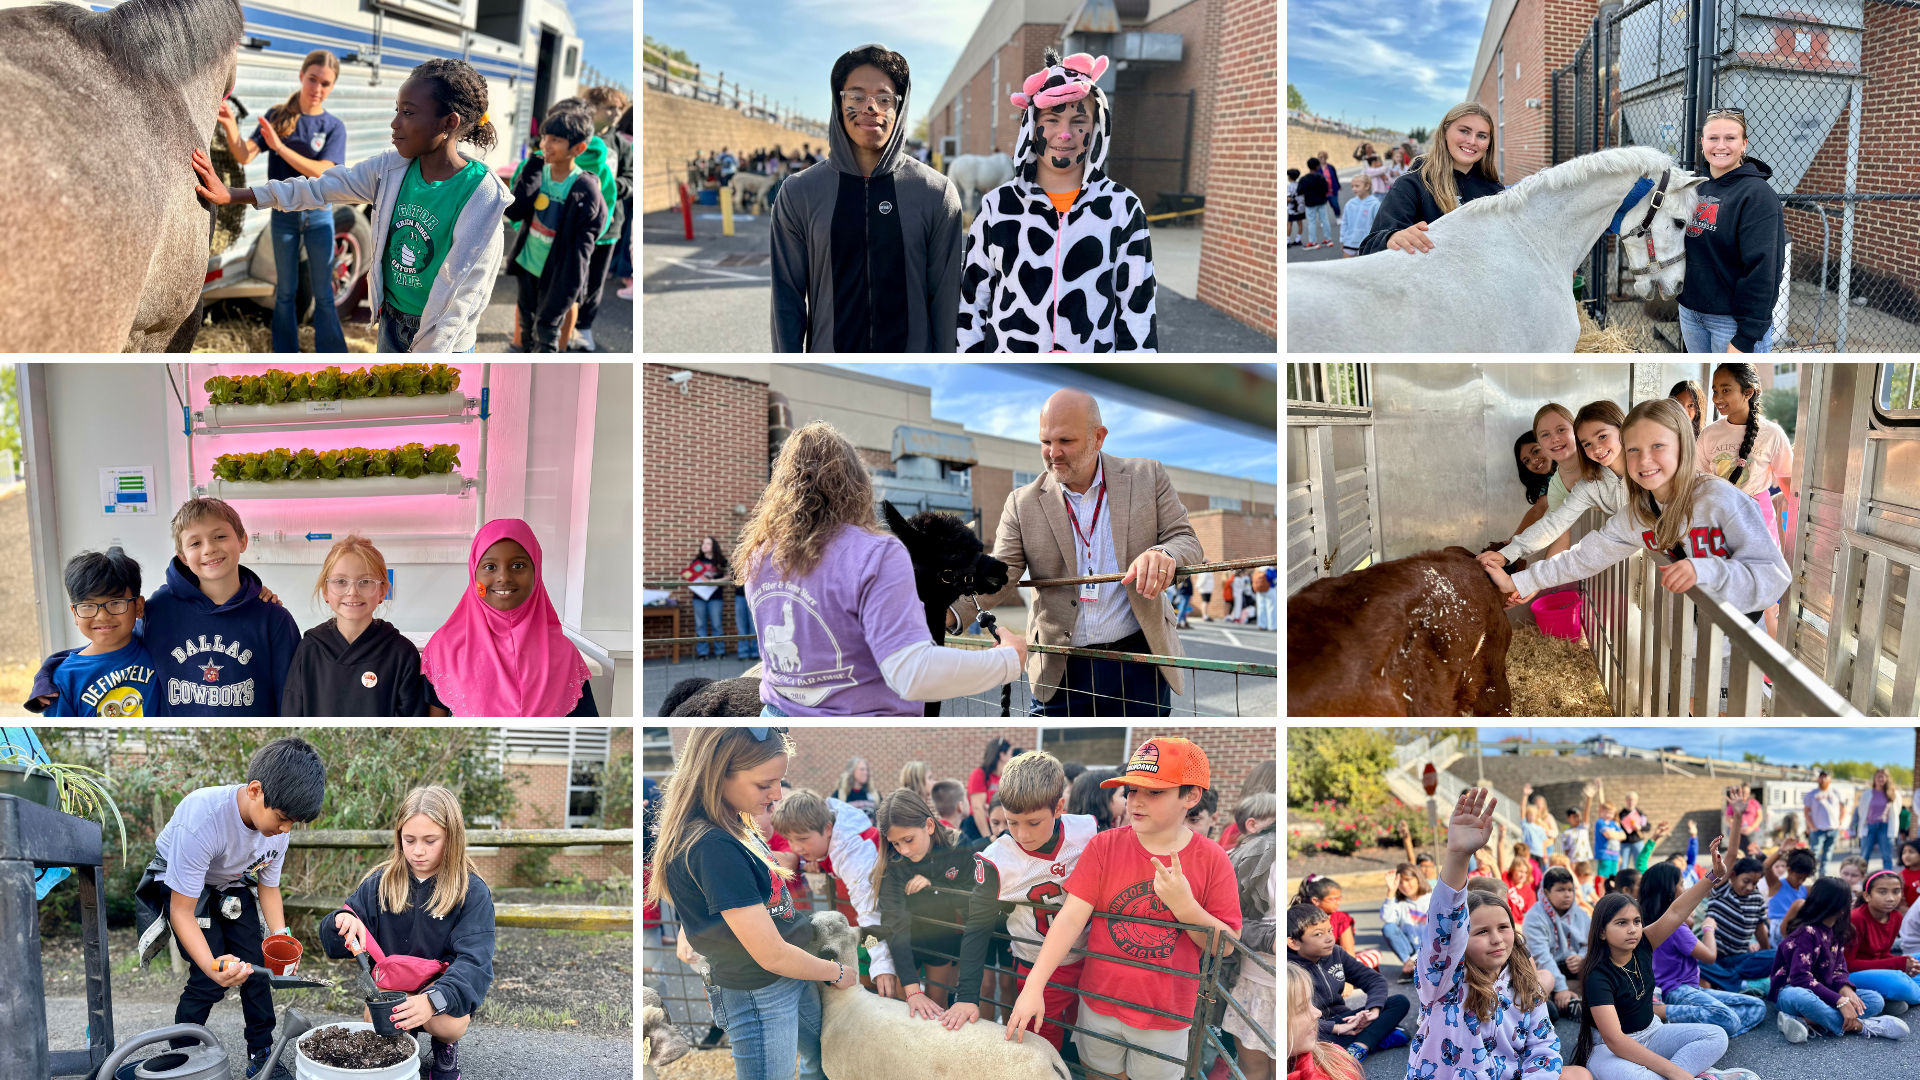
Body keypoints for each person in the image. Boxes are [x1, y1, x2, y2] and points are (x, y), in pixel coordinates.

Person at [192, 59, 508, 352]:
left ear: (449, 122)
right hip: (391, 324)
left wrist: (429, 356)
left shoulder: (482, 195)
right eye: (396, 110)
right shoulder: (389, 169)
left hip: (442, 341)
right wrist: (235, 194)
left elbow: (466, 296)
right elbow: (318, 187)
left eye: (408, 113)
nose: (394, 123)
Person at [734, 423, 1023, 715]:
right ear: (855, 483)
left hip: (778, 717)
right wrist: (1007, 660)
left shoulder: (758, 554)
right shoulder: (875, 552)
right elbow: (912, 672)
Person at [1005, 738, 1243, 1078]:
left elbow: (1226, 946)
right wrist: (1034, 986)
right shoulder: (1104, 846)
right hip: (1098, 1004)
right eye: (1131, 790)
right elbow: (1070, 918)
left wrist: (1185, 906)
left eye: (1154, 791)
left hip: (1166, 1016)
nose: (1136, 801)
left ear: (1190, 796)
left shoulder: (1213, 859)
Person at [961, 389, 1205, 715]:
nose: (1053, 453)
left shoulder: (1148, 476)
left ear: (1098, 437)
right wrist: (943, 613)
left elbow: (1185, 539)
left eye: (1065, 440)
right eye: (1045, 441)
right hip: (1059, 669)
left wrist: (1164, 554)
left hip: (1139, 662)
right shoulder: (1021, 503)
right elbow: (997, 573)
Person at [1485, 399, 1792, 657]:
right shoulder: (1637, 513)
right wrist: (1518, 581)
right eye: (1633, 450)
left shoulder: (1719, 499)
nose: (1644, 460)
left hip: (1734, 646)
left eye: (1657, 445)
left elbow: (1773, 576)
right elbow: (1583, 556)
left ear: (1683, 444)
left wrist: (1706, 571)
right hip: (1683, 642)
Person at [648, 730, 856, 1080]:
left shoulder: (732, 821)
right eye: (765, 784)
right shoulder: (713, 845)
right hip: (760, 990)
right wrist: (835, 971)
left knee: (823, 1057)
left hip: (793, 970)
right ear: (719, 774)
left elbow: (713, 897)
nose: (777, 794)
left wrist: (691, 925)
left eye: (778, 781)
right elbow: (770, 954)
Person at [133, 737, 326, 1080]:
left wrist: (281, 938)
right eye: (283, 818)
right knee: (209, 980)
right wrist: (211, 966)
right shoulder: (202, 818)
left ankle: (261, 1054)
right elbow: (182, 911)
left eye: (293, 823)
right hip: (184, 886)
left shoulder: (278, 828)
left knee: (257, 969)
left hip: (231, 881)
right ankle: (181, 1057)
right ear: (255, 791)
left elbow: (269, 886)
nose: (285, 830)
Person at [956, 50, 1157, 352]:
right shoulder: (997, 206)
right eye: (1052, 119)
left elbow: (1138, 309)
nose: (1064, 134)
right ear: (1031, 125)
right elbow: (971, 302)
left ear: (1096, 128)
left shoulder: (1123, 208)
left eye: (1079, 121)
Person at [771, 44, 963, 352]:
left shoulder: (936, 193)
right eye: (856, 96)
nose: (871, 108)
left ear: (899, 107)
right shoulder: (799, 192)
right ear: (839, 102)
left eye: (884, 99)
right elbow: (786, 300)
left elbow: (946, 303)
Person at [1404, 787, 1583, 1080]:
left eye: (1503, 927)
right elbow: (1444, 926)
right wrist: (1458, 855)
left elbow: (1542, 1048)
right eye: (1482, 931)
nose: (1497, 938)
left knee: (1580, 1075)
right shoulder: (1443, 981)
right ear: (1460, 940)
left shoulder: (1524, 982)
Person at [319, 786, 493, 1080]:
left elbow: (474, 964)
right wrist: (340, 921)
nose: (418, 850)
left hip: (440, 993)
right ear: (399, 836)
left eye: (430, 841)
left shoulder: (472, 891)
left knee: (449, 1025)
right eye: (409, 840)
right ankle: (400, 1044)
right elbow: (335, 945)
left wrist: (433, 1000)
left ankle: (444, 1046)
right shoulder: (379, 883)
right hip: (393, 988)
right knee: (375, 1017)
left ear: (452, 838)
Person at [941, 749, 1095, 1053]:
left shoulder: (1087, 831)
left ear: (1059, 807)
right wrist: (967, 996)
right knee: (1042, 1046)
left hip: (1091, 958)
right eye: (1012, 822)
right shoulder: (997, 860)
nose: (1022, 834)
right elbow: (978, 927)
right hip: (1035, 964)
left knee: (1089, 1042)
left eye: (1034, 822)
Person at [1567, 833, 1749, 1080]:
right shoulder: (1598, 975)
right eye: (1621, 923)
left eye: (1636, 921)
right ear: (1601, 931)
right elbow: (1616, 1040)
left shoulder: (1643, 943)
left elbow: (1675, 912)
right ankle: (1695, 1075)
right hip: (1608, 1050)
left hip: (1652, 1033)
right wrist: (1675, 1072)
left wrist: (1713, 875)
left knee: (1716, 1035)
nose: (1632, 929)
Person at [216, 50, 350, 353]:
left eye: (325, 84)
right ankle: (285, 355)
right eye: (313, 79)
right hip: (283, 217)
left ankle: (334, 358)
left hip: (319, 216)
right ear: (301, 76)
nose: (317, 88)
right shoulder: (278, 116)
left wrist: (280, 148)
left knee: (324, 295)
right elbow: (244, 154)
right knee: (285, 293)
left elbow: (323, 171)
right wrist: (230, 125)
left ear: (332, 86)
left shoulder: (333, 127)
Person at [420, 519, 596, 716]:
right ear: (473, 572)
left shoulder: (563, 653)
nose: (504, 577)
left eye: (518, 565)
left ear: (536, 572)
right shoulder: (445, 649)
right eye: (490, 567)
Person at [280, 535, 427, 716]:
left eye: (365, 582)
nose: (352, 592)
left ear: (382, 591)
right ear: (325, 591)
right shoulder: (308, 651)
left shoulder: (402, 654)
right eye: (340, 581)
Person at [1483, 401, 1629, 581]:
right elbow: (1555, 526)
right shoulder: (1580, 486)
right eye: (1545, 435)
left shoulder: (1619, 460)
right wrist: (1513, 556)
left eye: (1561, 430)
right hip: (1631, 541)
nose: (1554, 439)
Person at [1699, 362, 1795, 635]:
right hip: (1719, 519)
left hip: (1759, 519)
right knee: (1725, 589)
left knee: (1767, 600)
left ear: (1748, 392)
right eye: (1715, 390)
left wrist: (1800, 522)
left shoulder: (1772, 434)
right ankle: (1727, 651)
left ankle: (1770, 661)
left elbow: (1787, 482)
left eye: (1726, 390)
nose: (1717, 398)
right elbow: (1698, 482)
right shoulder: (1709, 434)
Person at [1678, 109, 1785, 353]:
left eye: (1730, 138)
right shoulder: (1693, 187)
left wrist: (1746, 336)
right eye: (1713, 138)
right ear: (1702, 143)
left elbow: (1764, 270)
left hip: (1731, 323)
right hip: (1690, 312)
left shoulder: (1757, 195)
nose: (1720, 146)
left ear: (1744, 144)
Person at [503, 106, 607, 352]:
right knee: (526, 324)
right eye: (545, 137)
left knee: (547, 328)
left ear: (578, 148)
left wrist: (573, 281)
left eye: (556, 140)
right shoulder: (538, 171)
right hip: (528, 264)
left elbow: (587, 240)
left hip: (559, 273)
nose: (546, 145)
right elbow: (514, 210)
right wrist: (532, 168)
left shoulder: (585, 187)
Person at [871, 788, 982, 1014]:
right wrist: (912, 990)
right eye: (895, 843)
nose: (904, 850)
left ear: (929, 826)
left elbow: (973, 894)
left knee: (937, 999)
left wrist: (936, 888)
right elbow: (894, 921)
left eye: (908, 840)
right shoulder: (893, 862)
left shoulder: (959, 845)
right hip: (904, 940)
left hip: (941, 934)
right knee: (906, 1002)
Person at [772, 789, 895, 991]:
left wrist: (882, 964)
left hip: (889, 924)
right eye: (790, 840)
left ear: (828, 828)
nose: (796, 848)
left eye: (802, 839)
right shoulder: (831, 829)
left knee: (892, 988)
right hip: (871, 925)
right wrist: (820, 862)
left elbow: (868, 909)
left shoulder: (853, 855)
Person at [1770, 877, 1909, 1042]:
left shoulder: (1837, 930)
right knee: (1800, 996)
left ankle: (1805, 1021)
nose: (1852, 904)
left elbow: (1840, 969)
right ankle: (1861, 1026)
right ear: (1840, 906)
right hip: (1791, 992)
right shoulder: (1805, 933)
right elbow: (1800, 979)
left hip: (1825, 992)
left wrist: (1845, 988)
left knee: (1875, 1000)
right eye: (1849, 900)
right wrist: (1839, 1001)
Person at [1638, 863, 1767, 1040]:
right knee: (1728, 1019)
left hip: (1691, 989)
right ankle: (1664, 1014)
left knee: (1757, 1006)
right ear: (1669, 891)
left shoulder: (1650, 921)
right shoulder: (1676, 928)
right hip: (1676, 991)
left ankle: (1700, 1031)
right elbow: (1710, 957)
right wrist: (1708, 928)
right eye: (1682, 884)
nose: (1685, 890)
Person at [1360, 103, 1502, 256]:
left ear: (1489, 143)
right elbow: (1369, 247)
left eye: (1481, 136)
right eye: (1464, 131)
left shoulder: (1495, 191)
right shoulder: (1411, 185)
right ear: (1445, 131)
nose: (1472, 141)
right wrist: (1391, 238)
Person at [44, 548, 157, 716]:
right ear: (75, 614)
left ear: (138, 607)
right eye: (88, 606)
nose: (102, 616)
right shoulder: (63, 679)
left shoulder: (157, 654)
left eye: (115, 603)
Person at [1222, 791, 1277, 1080]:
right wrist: (1268, 937)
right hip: (1254, 977)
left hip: (1281, 978)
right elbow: (1230, 917)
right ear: (1253, 824)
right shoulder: (1252, 855)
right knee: (1252, 1063)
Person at [1844, 869, 1920, 1015]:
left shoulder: (1896, 916)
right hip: (1848, 976)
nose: (1891, 898)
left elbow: (1883, 954)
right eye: (1882, 892)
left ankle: (1891, 997)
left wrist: (1906, 963)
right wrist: (1898, 964)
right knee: (1899, 982)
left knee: (1916, 958)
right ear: (1867, 896)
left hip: (1875, 971)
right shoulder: (1856, 918)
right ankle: (1902, 993)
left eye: (1896, 891)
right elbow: (1847, 965)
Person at [1698, 855, 1776, 994]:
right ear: (1733, 876)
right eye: (1746, 881)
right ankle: (1740, 984)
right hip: (1713, 959)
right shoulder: (1720, 890)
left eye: (1755, 883)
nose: (1749, 887)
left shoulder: (1757, 898)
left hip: (1739, 960)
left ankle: (1724, 979)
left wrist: (1766, 954)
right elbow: (1731, 854)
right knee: (1692, 959)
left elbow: (1760, 929)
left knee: (1776, 955)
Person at [1525, 865, 1594, 1021]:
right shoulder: (1534, 917)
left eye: (1570, 890)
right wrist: (1561, 987)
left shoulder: (1581, 915)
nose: (1567, 895)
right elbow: (1542, 957)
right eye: (1560, 890)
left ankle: (1564, 1001)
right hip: (1546, 971)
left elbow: (1590, 944)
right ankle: (1557, 1000)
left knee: (1597, 971)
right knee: (1542, 981)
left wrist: (1581, 958)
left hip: (1572, 971)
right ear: (1546, 892)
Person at [1285, 964, 1364, 1080]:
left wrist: (1374, 1009)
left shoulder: (1335, 1060)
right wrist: (1336, 1028)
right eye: (1302, 1009)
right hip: (1331, 1025)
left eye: (1311, 1002)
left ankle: (1362, 1045)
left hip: (1339, 1022)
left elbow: (1372, 978)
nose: (1318, 1013)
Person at [1378, 862, 1432, 982]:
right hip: (1411, 951)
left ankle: (1416, 966)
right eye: (1400, 882)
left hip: (1433, 950)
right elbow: (1387, 919)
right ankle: (1410, 965)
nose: (1404, 885)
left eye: (1408, 880)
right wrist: (1391, 891)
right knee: (1388, 928)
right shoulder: (1401, 903)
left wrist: (1416, 959)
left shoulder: (1433, 899)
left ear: (1418, 878)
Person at [681, 537, 727, 660]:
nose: (704, 545)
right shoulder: (698, 561)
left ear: (713, 546)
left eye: (708, 543)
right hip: (699, 597)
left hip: (715, 597)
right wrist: (692, 576)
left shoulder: (720, 561)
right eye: (703, 543)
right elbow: (688, 575)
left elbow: (730, 576)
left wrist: (716, 581)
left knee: (717, 625)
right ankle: (703, 653)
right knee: (700, 625)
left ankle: (720, 652)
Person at [1766, 844, 1817, 943]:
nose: (1801, 881)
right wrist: (1781, 851)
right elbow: (1766, 867)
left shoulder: (1805, 890)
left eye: (1804, 878)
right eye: (1798, 877)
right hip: (1777, 930)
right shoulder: (1776, 885)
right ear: (1789, 870)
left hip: (1797, 927)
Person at [1804, 770, 1848, 876]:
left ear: (1829, 779)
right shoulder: (1812, 794)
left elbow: (1843, 809)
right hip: (1818, 829)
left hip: (1833, 829)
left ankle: (1823, 874)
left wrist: (1839, 823)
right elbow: (1806, 812)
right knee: (1814, 853)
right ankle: (1811, 873)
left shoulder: (1836, 793)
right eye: (1821, 777)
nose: (1823, 780)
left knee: (1828, 854)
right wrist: (1811, 826)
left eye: (1825, 777)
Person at [967, 737, 1011, 842]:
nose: (1012, 757)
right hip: (978, 827)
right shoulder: (979, 774)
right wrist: (988, 839)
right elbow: (978, 808)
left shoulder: (1005, 777)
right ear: (1002, 755)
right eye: (1010, 754)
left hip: (999, 826)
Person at [1859, 770, 1904, 873]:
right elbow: (1861, 810)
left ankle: (1888, 876)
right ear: (1874, 778)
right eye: (1878, 776)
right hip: (1869, 826)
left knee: (1886, 855)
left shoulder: (1893, 794)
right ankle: (1860, 877)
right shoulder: (1867, 793)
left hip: (1885, 827)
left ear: (1887, 779)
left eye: (1883, 776)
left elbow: (1897, 810)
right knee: (1864, 855)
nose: (1880, 779)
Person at [1339, 174, 1380, 258]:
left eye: (1357, 186)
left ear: (1367, 186)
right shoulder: (1350, 204)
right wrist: (1343, 240)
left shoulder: (1375, 204)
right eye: (1352, 186)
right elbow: (1344, 223)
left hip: (1366, 243)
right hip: (1349, 242)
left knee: (1365, 266)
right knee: (1347, 266)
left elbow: (1378, 225)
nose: (1354, 189)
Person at [1296, 158, 1333, 249]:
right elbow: (1326, 189)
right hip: (1321, 201)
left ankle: (1313, 242)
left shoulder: (1304, 179)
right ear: (1317, 167)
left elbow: (1299, 191)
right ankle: (1328, 239)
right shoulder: (1321, 178)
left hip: (1310, 203)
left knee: (1311, 222)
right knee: (1324, 220)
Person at [1286, 168, 1306, 247]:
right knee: (1299, 222)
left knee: (1289, 223)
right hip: (1301, 207)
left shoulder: (1289, 187)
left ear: (1289, 177)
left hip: (1292, 208)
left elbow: (1288, 198)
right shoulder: (1299, 185)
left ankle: (1287, 241)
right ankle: (1298, 239)